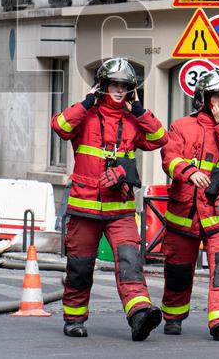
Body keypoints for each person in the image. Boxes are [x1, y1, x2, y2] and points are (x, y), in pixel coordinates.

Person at [51, 57, 168, 341]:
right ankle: (74, 318)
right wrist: (87, 102)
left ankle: (139, 314)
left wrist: (139, 110)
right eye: (114, 84)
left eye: (124, 86)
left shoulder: (131, 121)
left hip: (121, 209)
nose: (119, 90)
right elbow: (60, 126)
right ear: (102, 86)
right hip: (84, 208)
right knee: (79, 267)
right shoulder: (84, 116)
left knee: (130, 260)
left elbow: (160, 137)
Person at [160, 70, 219, 342]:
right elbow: (169, 158)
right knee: (178, 269)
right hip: (184, 213)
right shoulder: (180, 126)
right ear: (202, 98)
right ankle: (173, 315)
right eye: (216, 96)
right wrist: (189, 172)